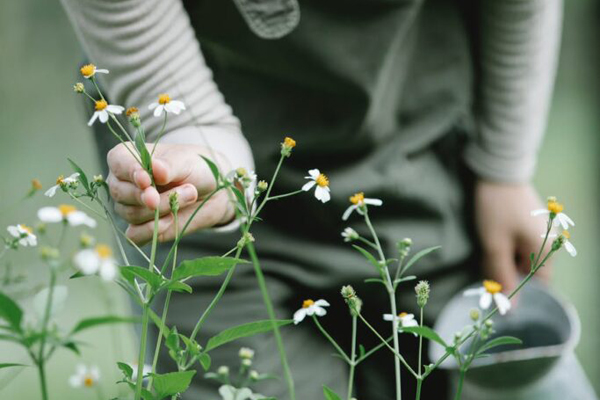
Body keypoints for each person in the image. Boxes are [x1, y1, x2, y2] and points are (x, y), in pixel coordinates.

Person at [60, 0, 563, 398]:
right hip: (207, 206)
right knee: (239, 381)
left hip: (427, 160)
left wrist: (504, 166)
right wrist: (200, 145)